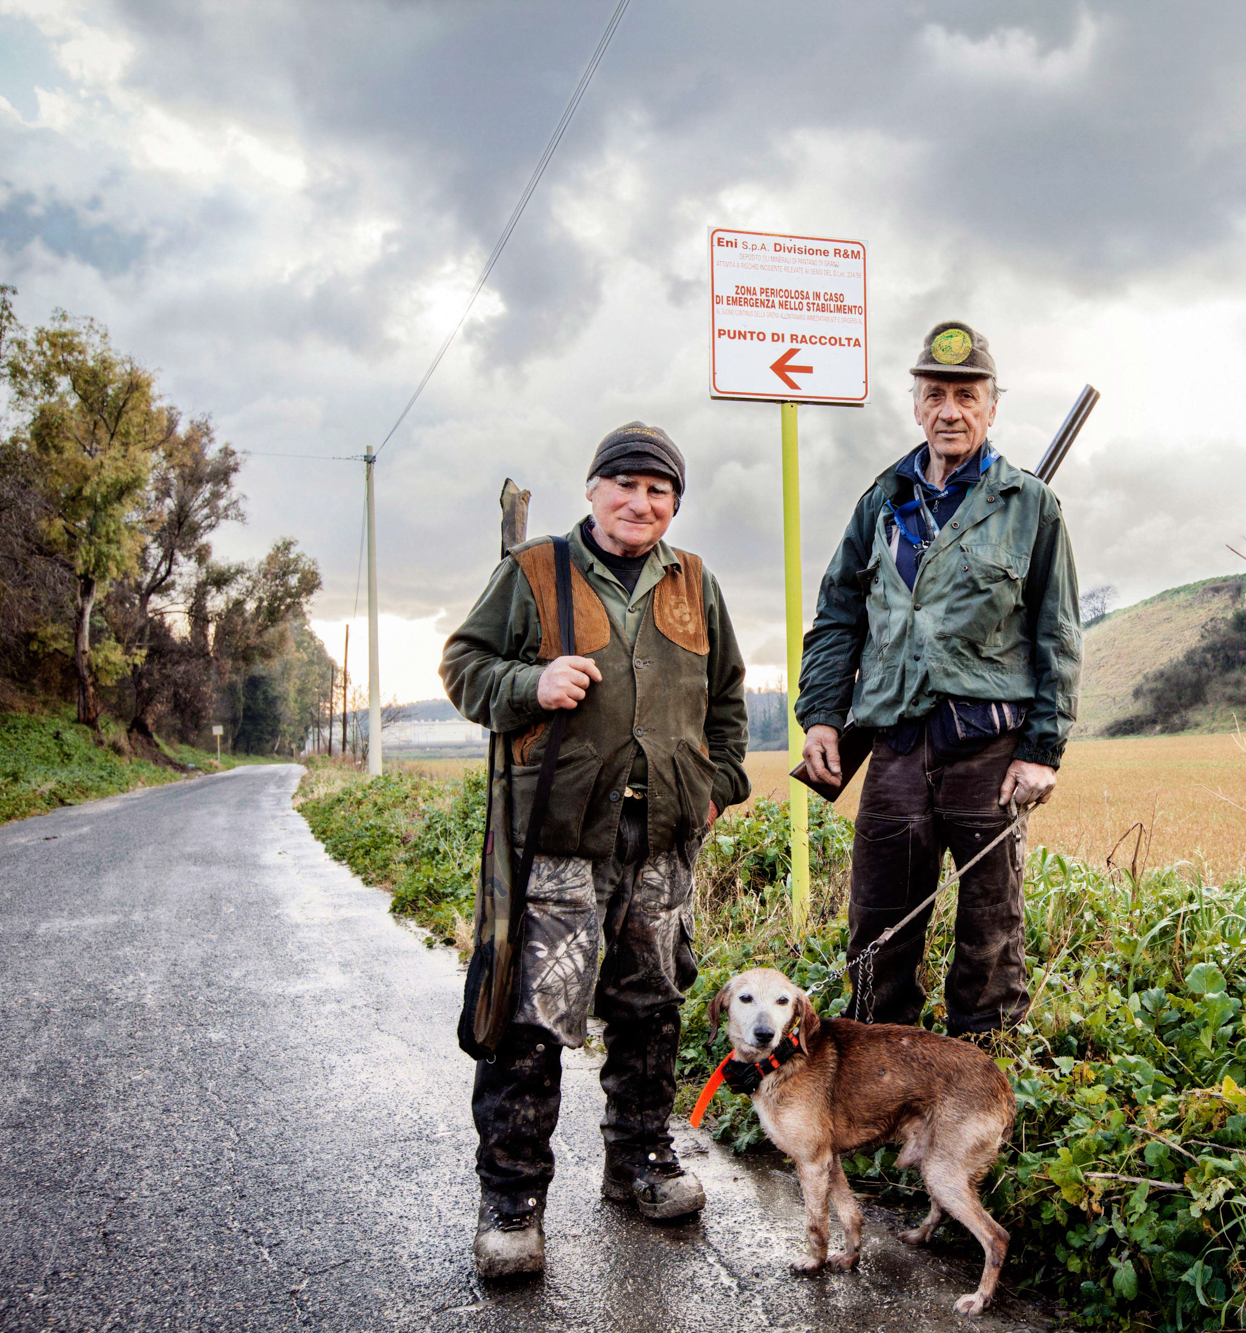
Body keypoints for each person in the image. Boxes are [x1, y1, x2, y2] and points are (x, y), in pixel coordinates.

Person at [441, 423, 749, 1277]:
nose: (641, 502)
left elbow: (727, 694)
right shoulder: (535, 572)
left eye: (659, 491)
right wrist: (528, 683)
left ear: (674, 504)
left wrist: (717, 782)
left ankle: (640, 1162)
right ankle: (512, 1200)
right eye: (625, 485)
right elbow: (464, 665)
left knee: (651, 1008)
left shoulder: (695, 583)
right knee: (531, 1023)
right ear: (592, 490)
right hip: (558, 836)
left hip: (661, 843)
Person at [797, 320, 1081, 1038]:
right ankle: (873, 1088)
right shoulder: (882, 502)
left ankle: (979, 1097)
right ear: (916, 403)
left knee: (989, 937)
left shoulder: (1031, 507)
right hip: (893, 750)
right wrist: (823, 716)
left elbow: (1059, 636)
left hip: (987, 755)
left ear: (991, 405)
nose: (950, 410)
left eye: (966, 394)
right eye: (935, 394)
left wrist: (1042, 749)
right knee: (877, 934)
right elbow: (837, 616)